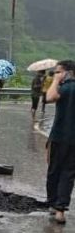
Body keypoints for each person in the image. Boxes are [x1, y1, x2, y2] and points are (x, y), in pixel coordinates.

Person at [44, 60, 75, 224]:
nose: (56, 75)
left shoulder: (65, 87)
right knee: (68, 174)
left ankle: (53, 204)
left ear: (67, 72)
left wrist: (55, 81)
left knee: (54, 170)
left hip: (59, 137)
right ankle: (61, 210)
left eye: (58, 72)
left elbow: (49, 97)